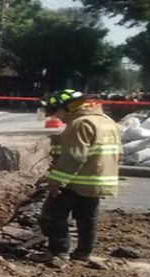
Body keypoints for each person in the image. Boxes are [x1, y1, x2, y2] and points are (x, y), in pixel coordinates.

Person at [30, 90, 122, 267]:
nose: (56, 116)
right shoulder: (107, 121)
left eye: (57, 111)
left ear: (68, 108)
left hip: (76, 180)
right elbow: (119, 154)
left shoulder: (80, 123)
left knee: (53, 216)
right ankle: (83, 253)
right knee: (87, 219)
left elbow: (74, 157)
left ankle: (58, 254)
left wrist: (55, 182)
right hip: (98, 181)